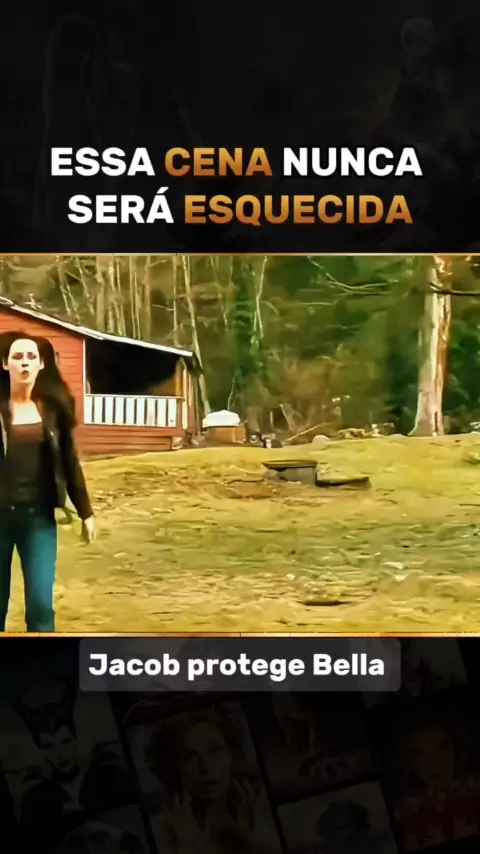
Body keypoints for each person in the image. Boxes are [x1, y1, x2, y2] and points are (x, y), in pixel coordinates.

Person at [0, 331, 95, 632]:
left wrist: (85, 511)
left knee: (41, 605)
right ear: (5, 364)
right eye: (17, 357)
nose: (25, 363)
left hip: (38, 520)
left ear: (41, 365)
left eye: (31, 357)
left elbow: (70, 461)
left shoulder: (52, 412)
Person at [145, 706, 269, 854]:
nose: (206, 766)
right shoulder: (162, 835)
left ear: (231, 754)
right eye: (189, 757)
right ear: (175, 768)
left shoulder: (263, 816)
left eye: (215, 750)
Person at [393, 716, 480, 850]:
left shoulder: (475, 787)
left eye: (443, 747)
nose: (433, 762)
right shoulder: (402, 812)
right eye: (419, 753)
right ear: (409, 761)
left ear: (456, 749)